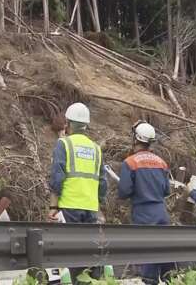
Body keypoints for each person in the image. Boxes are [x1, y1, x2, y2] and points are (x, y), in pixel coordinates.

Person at [48, 102, 107, 284]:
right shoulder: (96, 148)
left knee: (70, 256)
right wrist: (99, 206)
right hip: (90, 209)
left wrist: (53, 206)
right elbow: (102, 182)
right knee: (89, 256)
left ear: (68, 123)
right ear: (86, 124)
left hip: (69, 207)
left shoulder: (63, 144)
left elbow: (57, 177)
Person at [118, 121, 175, 284]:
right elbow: (166, 191)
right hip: (161, 212)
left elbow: (124, 192)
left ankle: (149, 280)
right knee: (164, 252)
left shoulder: (130, 162)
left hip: (142, 213)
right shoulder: (161, 162)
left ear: (136, 139)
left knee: (148, 252)